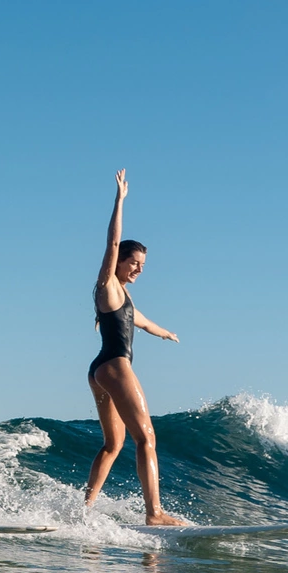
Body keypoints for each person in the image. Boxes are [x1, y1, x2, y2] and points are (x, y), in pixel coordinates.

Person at [84, 170, 185, 522]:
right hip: (115, 366)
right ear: (120, 261)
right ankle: (154, 512)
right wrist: (120, 201)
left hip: (99, 370)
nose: (139, 269)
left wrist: (166, 333)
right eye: (134, 263)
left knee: (114, 444)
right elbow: (112, 244)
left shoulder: (123, 298)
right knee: (146, 438)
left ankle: (84, 509)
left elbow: (142, 322)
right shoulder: (108, 286)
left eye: (143, 265)